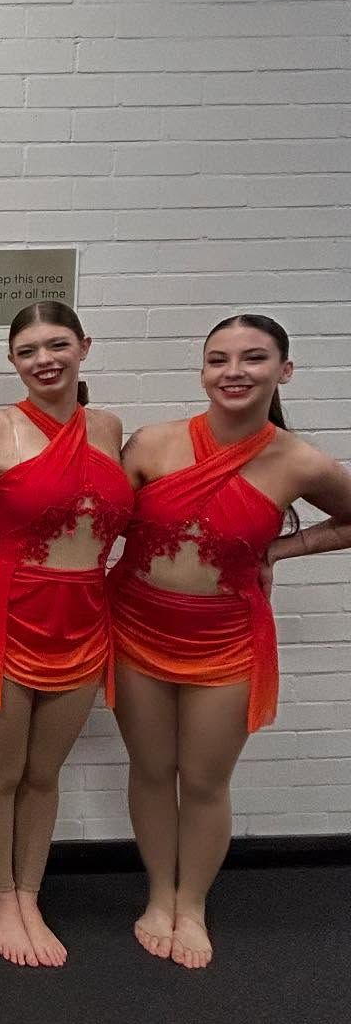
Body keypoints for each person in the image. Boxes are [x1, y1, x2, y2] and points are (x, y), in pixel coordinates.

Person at [110, 313, 351, 969]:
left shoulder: (299, 460)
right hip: (136, 628)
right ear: (203, 370)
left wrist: (286, 545)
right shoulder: (153, 444)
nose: (234, 372)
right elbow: (96, 515)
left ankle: (193, 904)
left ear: (284, 370)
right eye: (219, 359)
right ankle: (160, 894)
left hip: (225, 640)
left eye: (253, 358)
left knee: (206, 780)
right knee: (153, 771)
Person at [0, 301, 133, 968]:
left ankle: (31, 893)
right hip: (6, 609)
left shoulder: (110, 428)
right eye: (28, 350)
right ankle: (2, 897)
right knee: (0, 769)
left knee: (43, 772)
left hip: (83, 612)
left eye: (58, 344)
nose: (44, 359)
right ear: (12, 361)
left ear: (84, 345)